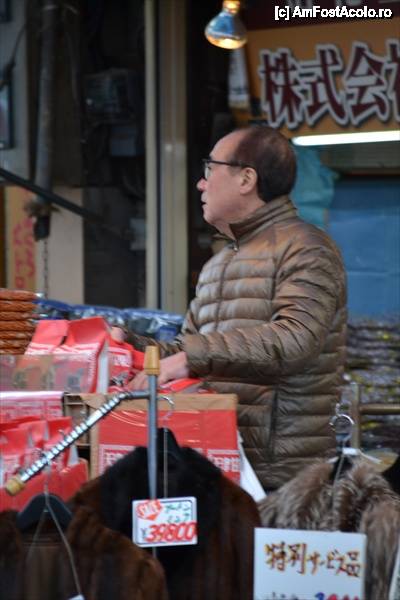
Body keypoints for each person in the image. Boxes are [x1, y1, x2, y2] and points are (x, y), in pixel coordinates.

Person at [122, 125, 347, 490]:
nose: (201, 183)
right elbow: (187, 349)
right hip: (222, 462)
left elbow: (295, 339)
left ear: (246, 179)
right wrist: (125, 346)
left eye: (210, 169)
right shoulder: (219, 262)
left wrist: (191, 357)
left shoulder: (306, 248)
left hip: (282, 479)